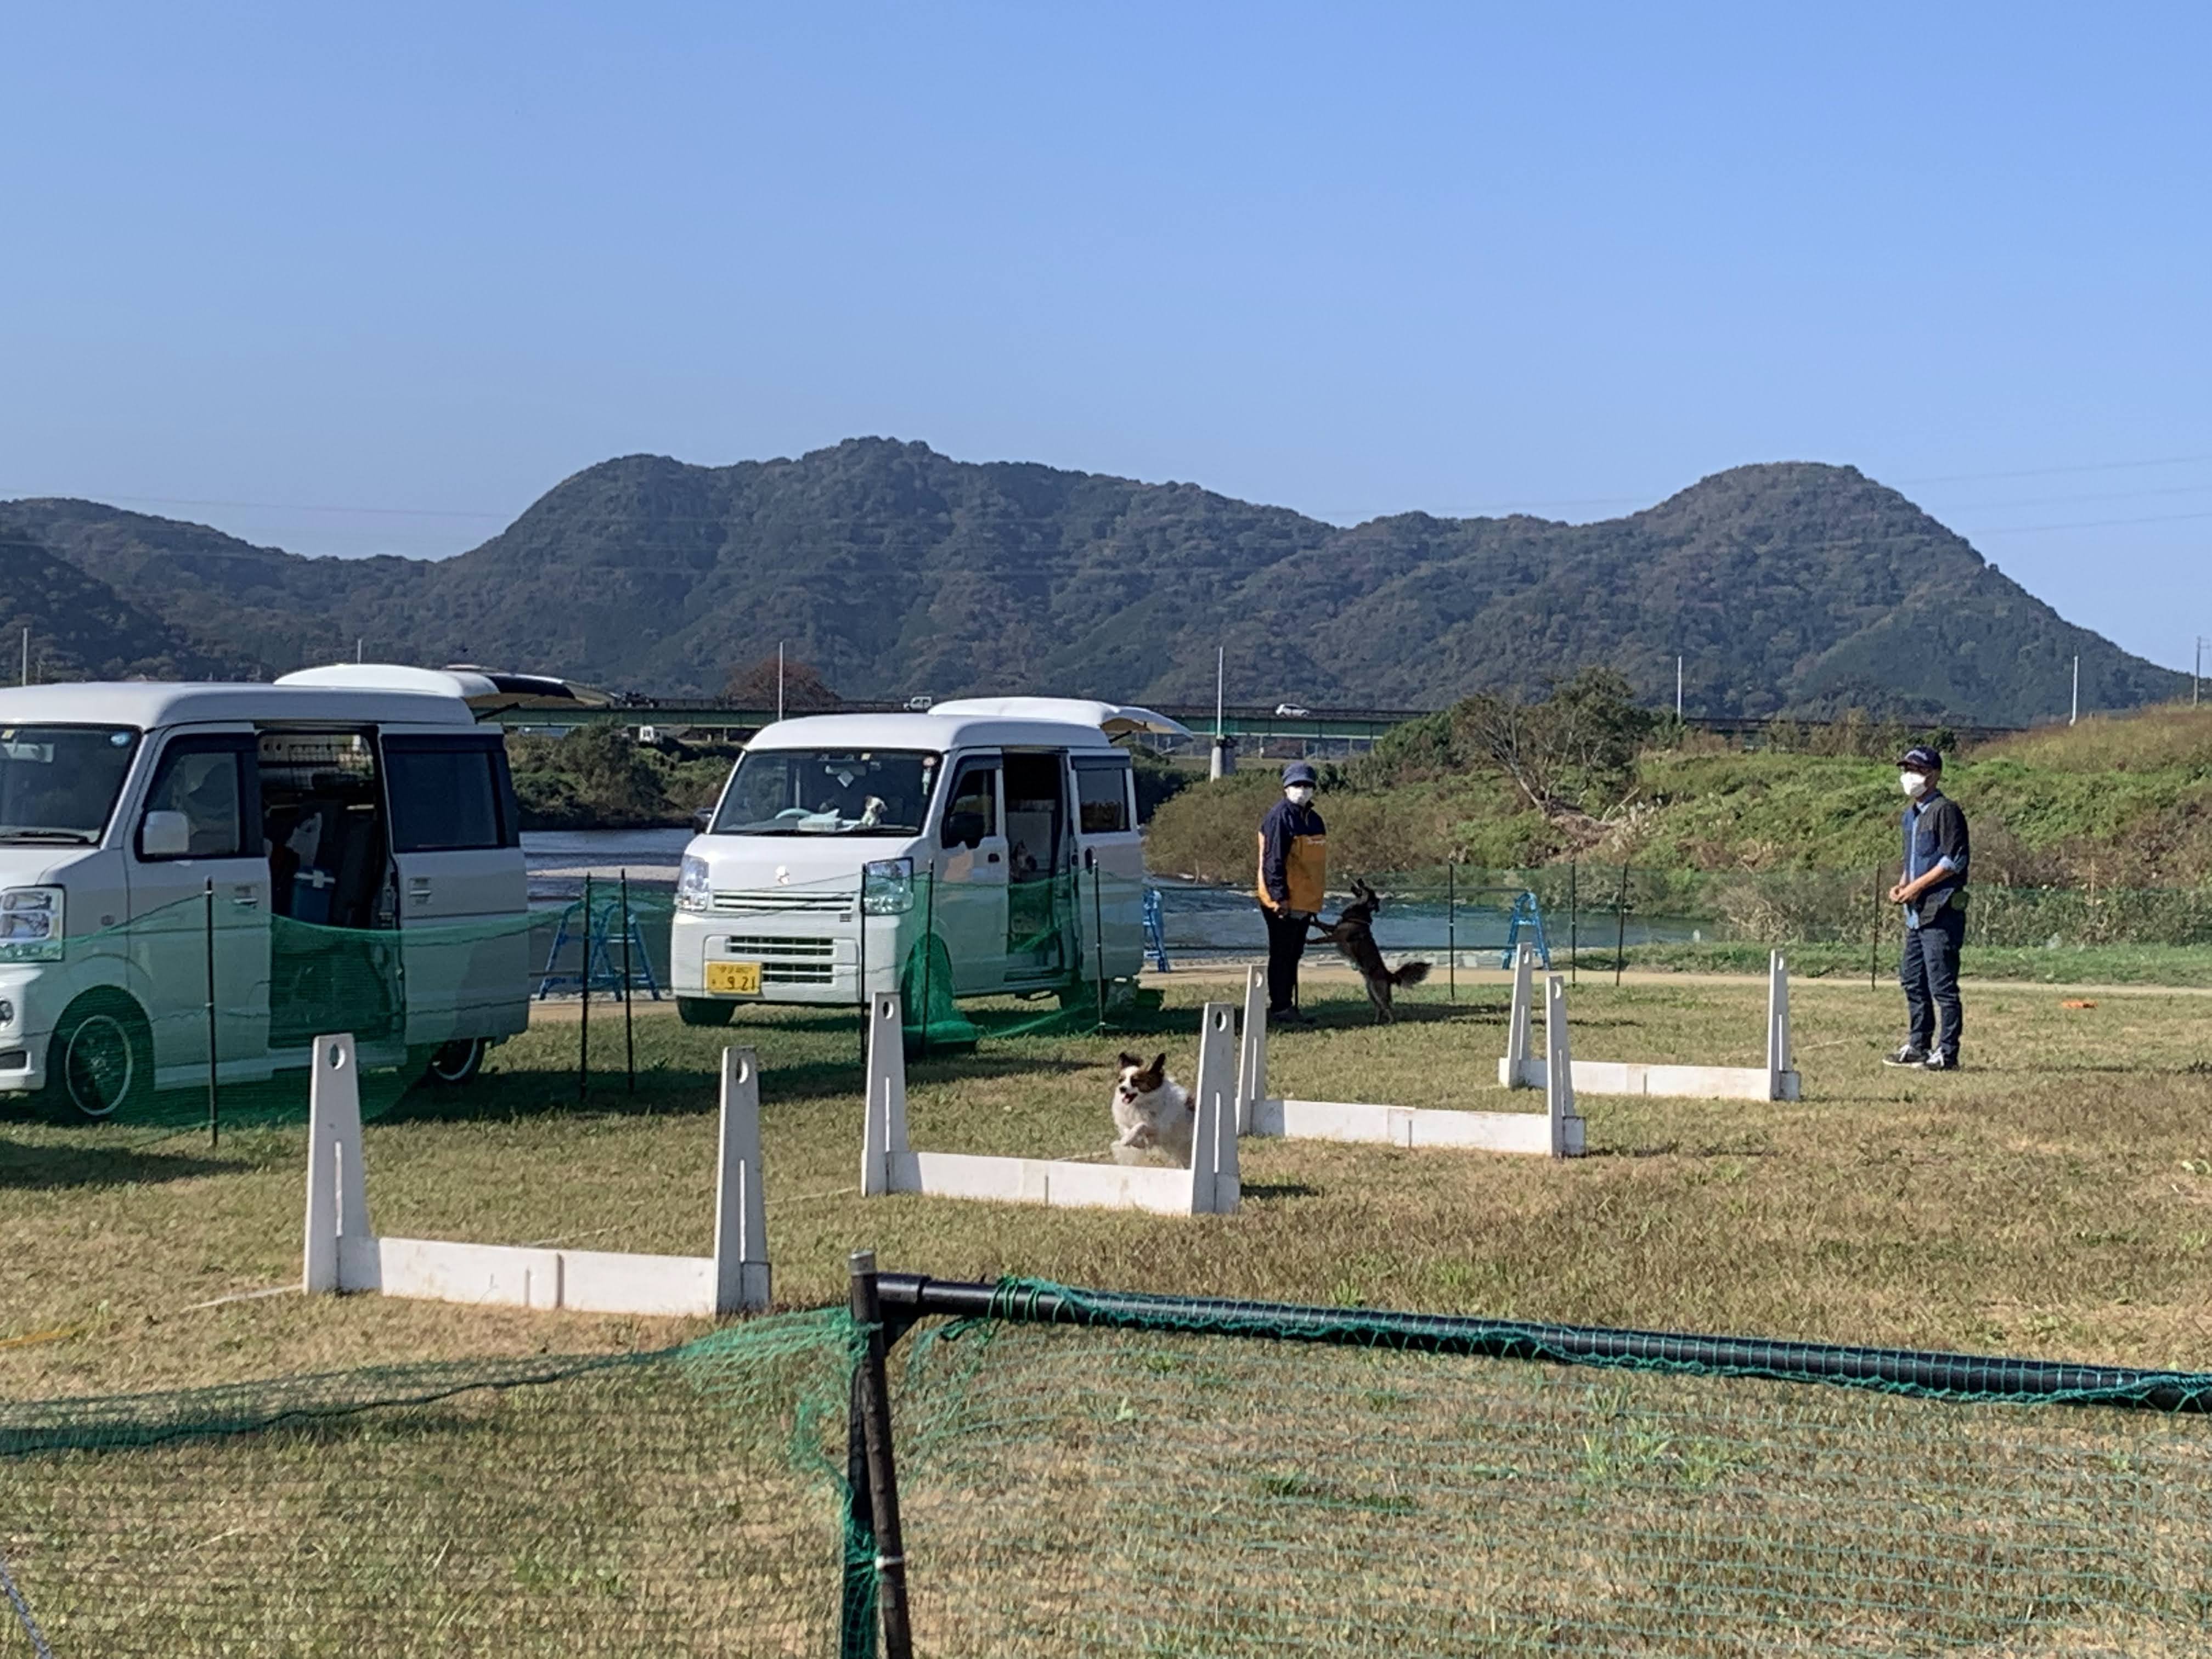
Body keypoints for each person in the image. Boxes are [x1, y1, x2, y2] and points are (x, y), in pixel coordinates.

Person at [1884, 744, 1970, 1071]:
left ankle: (1947, 1052)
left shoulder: (1945, 811)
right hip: (1916, 914)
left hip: (1941, 910)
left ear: (1933, 775)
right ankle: (1918, 1045)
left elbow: (1953, 860)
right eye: (1906, 770)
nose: (1909, 777)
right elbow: (1913, 860)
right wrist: (1903, 885)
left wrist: (1917, 887)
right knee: (1913, 979)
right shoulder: (1910, 815)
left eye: (1916, 770)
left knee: (1942, 985)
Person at [1255, 761, 1327, 1023]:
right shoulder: (1279, 817)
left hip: (1305, 902)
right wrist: (1279, 898)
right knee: (1282, 955)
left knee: (1294, 954)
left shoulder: (1315, 820)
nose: (1303, 789)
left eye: (1307, 785)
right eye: (1297, 784)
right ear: (1286, 787)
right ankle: (1280, 1007)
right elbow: (1272, 861)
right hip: (1283, 902)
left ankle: (1288, 1006)